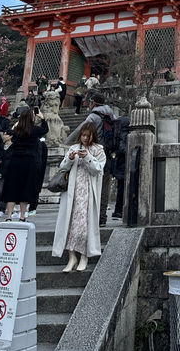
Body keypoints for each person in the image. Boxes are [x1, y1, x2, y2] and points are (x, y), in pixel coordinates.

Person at [52, 124, 106, 272]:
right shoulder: (73, 148)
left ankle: (84, 255)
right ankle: (71, 257)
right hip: (72, 191)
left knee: (83, 225)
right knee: (69, 223)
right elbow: (62, 167)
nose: (85, 139)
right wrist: (70, 159)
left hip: (88, 191)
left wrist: (87, 157)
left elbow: (98, 169)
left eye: (88, 136)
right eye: (83, 135)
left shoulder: (98, 150)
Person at [66, 92, 116, 226]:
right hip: (107, 152)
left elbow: (81, 130)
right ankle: (102, 217)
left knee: (90, 185)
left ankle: (88, 216)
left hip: (93, 152)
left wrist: (68, 141)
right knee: (104, 186)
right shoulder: (111, 115)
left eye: (90, 102)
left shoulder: (93, 116)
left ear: (93, 102)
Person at [1, 107, 48, 222]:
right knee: (25, 188)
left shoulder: (17, 130)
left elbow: (10, 132)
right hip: (29, 162)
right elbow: (45, 130)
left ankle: (9, 216)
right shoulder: (35, 130)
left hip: (15, 161)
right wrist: (42, 118)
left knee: (12, 188)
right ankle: (22, 216)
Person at [111, 115, 130, 220]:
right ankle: (119, 211)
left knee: (121, 189)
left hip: (118, 163)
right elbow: (122, 148)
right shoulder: (125, 133)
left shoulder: (117, 132)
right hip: (123, 164)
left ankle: (118, 210)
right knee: (123, 189)